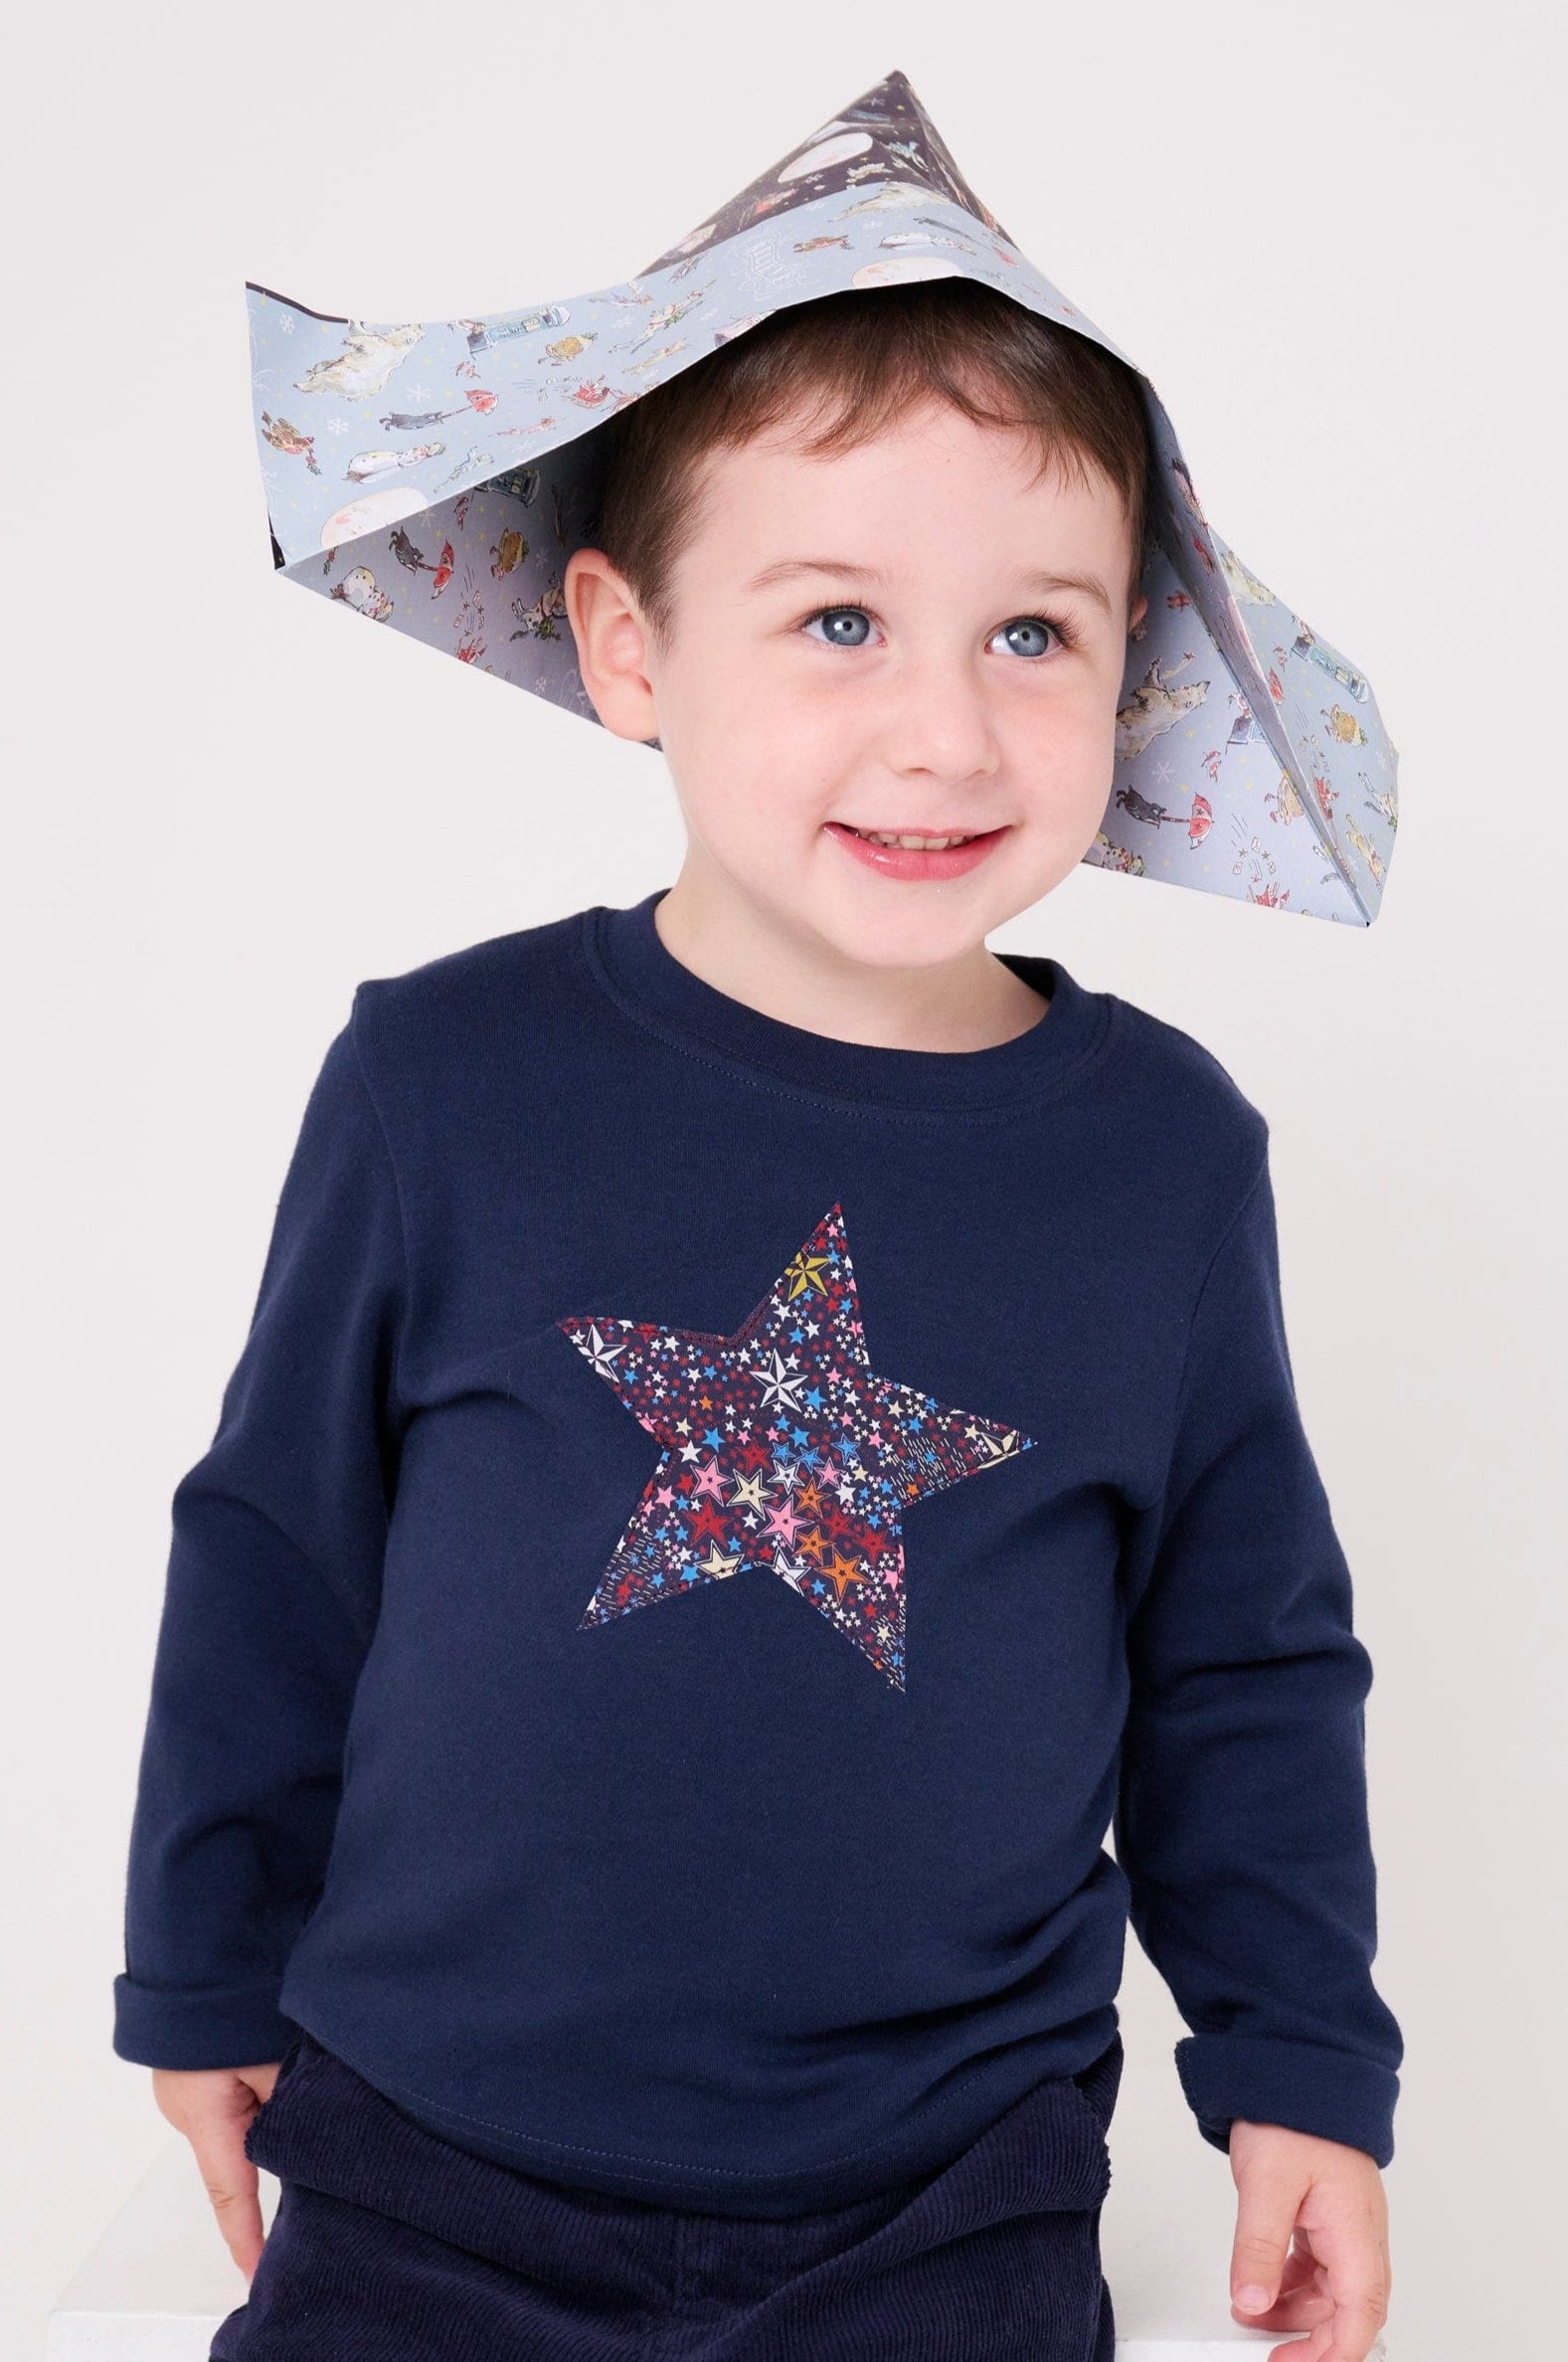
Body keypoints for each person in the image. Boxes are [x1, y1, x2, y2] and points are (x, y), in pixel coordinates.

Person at [112, 124, 1401, 2362]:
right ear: (627, 642)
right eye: (836, 621)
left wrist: (1300, 2063)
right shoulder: (444, 1081)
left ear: (1133, 671)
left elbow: (1243, 1659)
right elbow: (273, 1550)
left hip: (947, 2195)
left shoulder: (1164, 1162)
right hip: (429, 2153)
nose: (942, 727)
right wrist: (201, 1966)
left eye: (1033, 632)